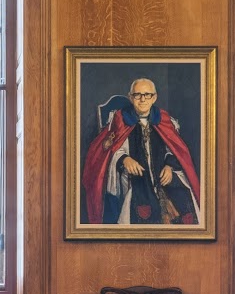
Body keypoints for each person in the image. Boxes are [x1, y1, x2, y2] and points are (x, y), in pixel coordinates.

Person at [80, 77, 202, 225]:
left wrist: (169, 167)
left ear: (154, 97)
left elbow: (175, 149)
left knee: (182, 201)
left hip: (163, 174)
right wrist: (125, 159)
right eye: (137, 95)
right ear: (131, 97)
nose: (142, 99)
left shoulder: (164, 119)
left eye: (147, 95)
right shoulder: (120, 119)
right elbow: (112, 149)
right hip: (136, 178)